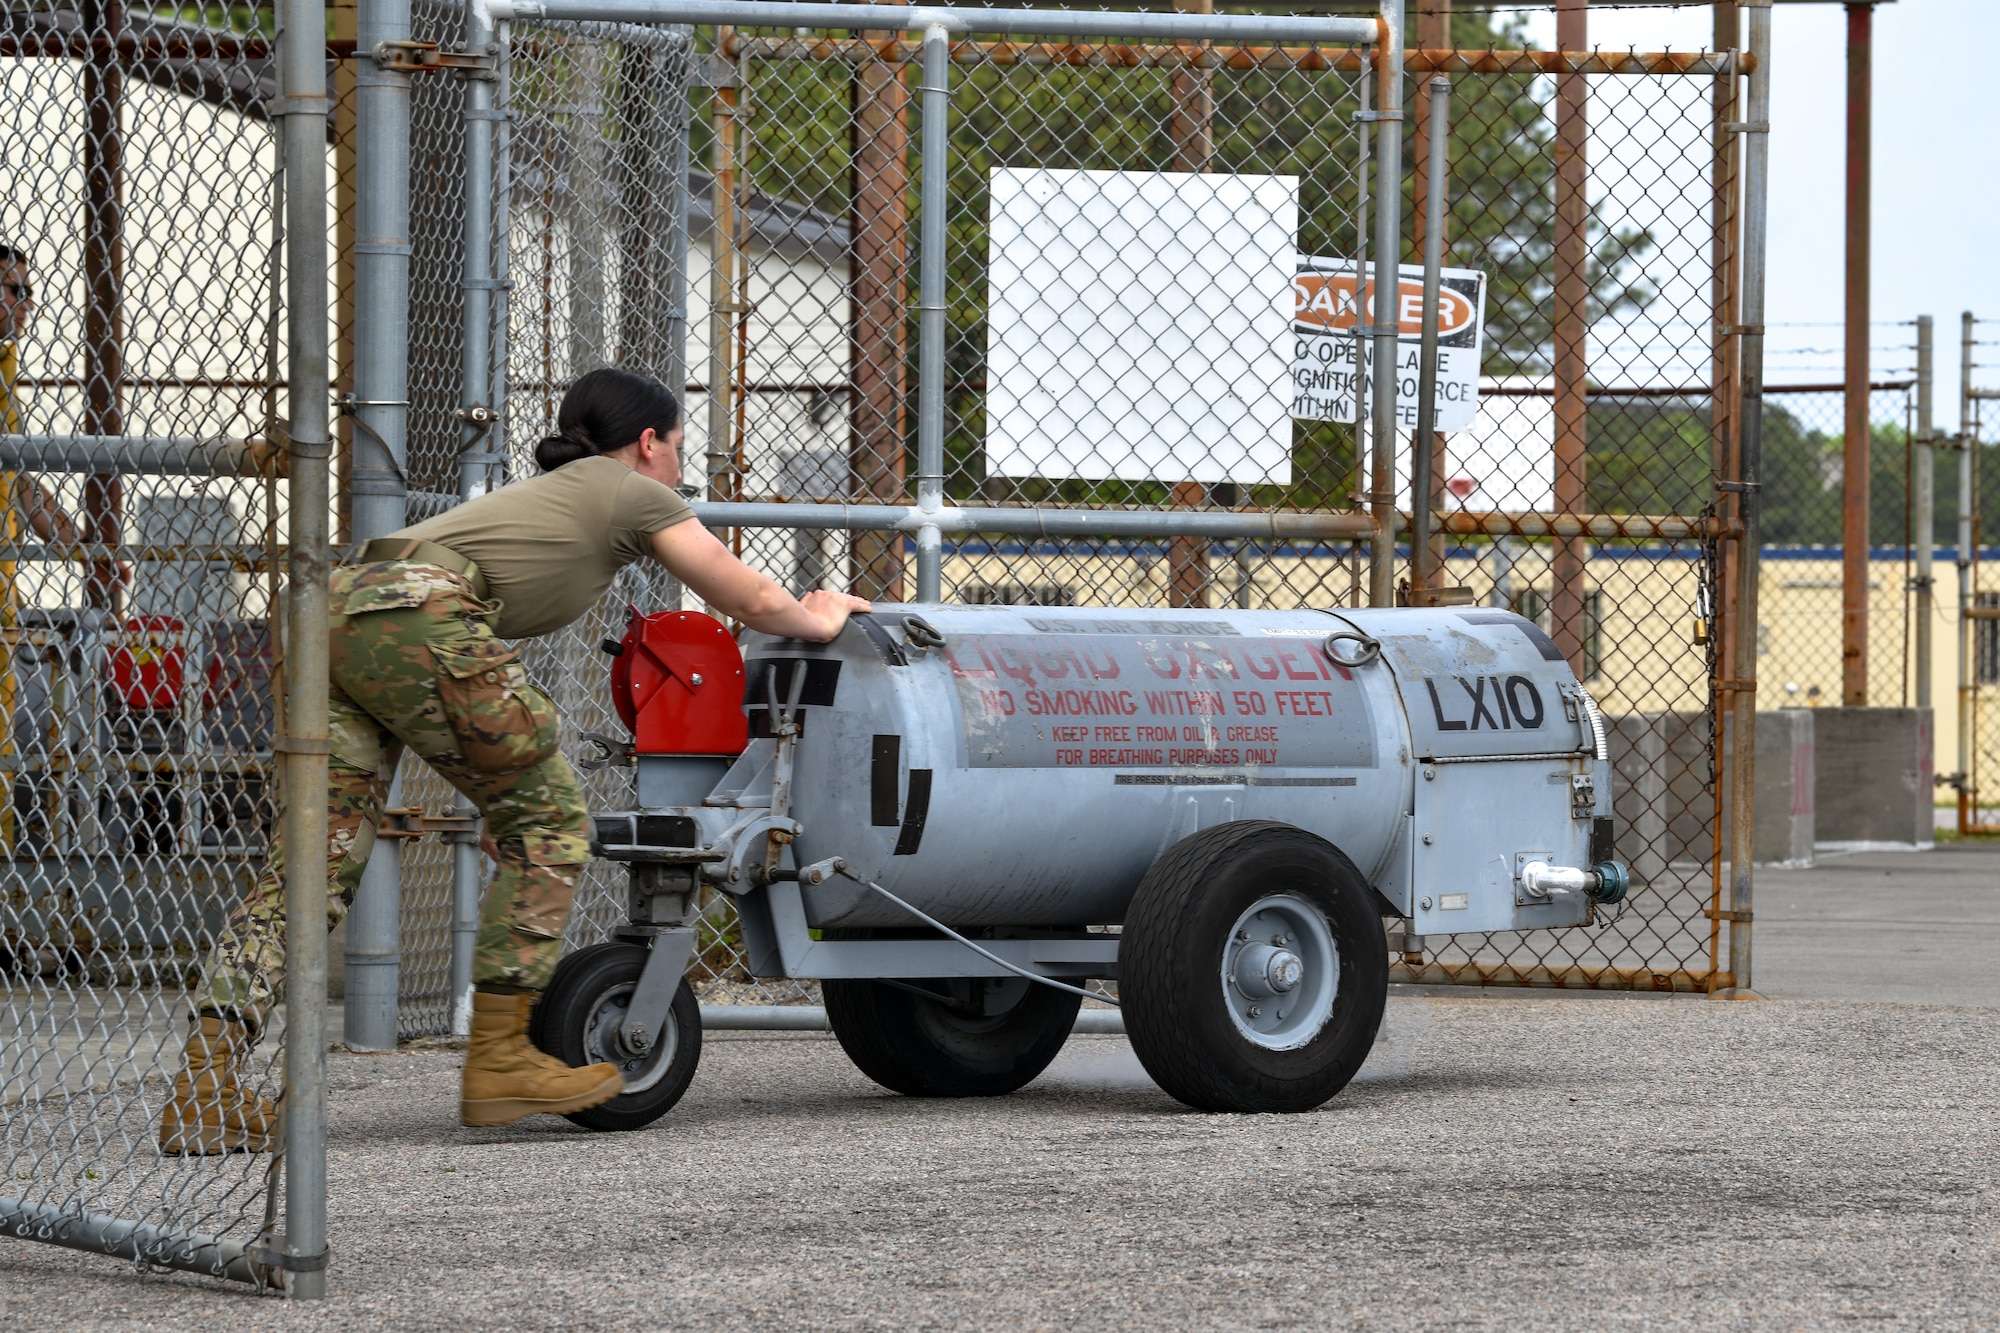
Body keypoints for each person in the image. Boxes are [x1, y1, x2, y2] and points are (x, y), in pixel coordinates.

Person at [159, 366, 870, 1153]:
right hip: (417, 606)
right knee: (555, 821)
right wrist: (817, 612)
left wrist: (506, 801)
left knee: (316, 861)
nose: (678, 463)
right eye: (676, 446)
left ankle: (204, 1088)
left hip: (334, 609)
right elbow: (746, 596)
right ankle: (500, 1061)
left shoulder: (551, 498)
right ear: (646, 444)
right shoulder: (630, 489)